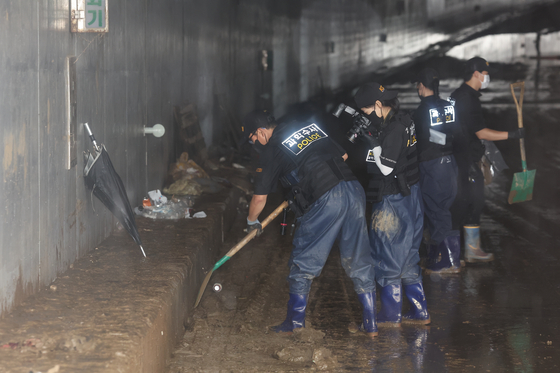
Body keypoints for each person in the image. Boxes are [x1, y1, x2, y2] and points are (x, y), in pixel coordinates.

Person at [241, 110, 378, 337]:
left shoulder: (272, 150)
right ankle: (371, 324)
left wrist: (251, 221)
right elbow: (342, 156)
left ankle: (295, 322)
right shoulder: (304, 124)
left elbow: (259, 199)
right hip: (353, 190)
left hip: (327, 198)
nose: (255, 144)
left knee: (303, 261)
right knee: (358, 258)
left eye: (253, 139)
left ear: (260, 132)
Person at [353, 83, 430, 327]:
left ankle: (389, 315)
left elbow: (386, 167)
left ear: (378, 105)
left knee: (387, 254)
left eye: (365, 111)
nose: (365, 116)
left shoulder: (395, 129)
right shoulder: (404, 120)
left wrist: (372, 143)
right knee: (408, 255)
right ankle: (419, 311)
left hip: (394, 199)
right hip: (411, 195)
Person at [450, 57, 525, 262]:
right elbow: (481, 132)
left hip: (458, 155)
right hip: (465, 158)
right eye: (485, 73)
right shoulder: (468, 99)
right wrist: (512, 135)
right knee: (472, 201)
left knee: (468, 201)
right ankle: (468, 251)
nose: (487, 77)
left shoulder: (459, 95)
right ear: (476, 74)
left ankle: (461, 251)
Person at [412, 68, 461, 274]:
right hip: (450, 161)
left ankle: (449, 261)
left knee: (435, 208)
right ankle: (440, 256)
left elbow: (421, 139)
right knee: (442, 207)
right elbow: (455, 132)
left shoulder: (421, 111)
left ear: (421, 87)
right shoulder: (448, 106)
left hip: (432, 163)